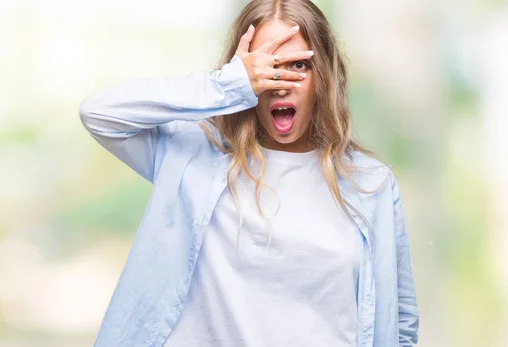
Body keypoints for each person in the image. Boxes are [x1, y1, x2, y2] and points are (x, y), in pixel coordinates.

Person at [79, 0, 419, 346]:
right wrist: (229, 86)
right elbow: (100, 115)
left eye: (298, 65)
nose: (280, 83)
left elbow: (401, 322)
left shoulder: (370, 182)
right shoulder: (192, 156)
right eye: (266, 66)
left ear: (324, 78)